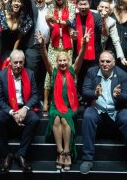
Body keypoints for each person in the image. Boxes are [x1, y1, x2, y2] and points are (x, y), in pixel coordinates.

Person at [79, 50, 127, 179]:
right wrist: (95, 94)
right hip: (97, 108)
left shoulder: (123, 75)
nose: (105, 64)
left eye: (108, 61)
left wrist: (117, 96)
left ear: (114, 63)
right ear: (99, 62)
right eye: (102, 61)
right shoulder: (92, 72)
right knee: (88, 116)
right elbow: (85, 91)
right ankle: (87, 159)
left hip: (117, 109)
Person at [37, 28, 89, 171]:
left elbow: (81, 56)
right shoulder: (53, 72)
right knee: (55, 118)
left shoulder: (73, 71)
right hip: (55, 106)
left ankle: (67, 152)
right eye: (59, 60)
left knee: (65, 119)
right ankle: (60, 152)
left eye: (64, 60)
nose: (62, 63)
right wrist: (42, 46)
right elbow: (45, 58)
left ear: (68, 60)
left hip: (70, 106)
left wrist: (84, 44)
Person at [0, 49, 39, 174]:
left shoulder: (30, 74)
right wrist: (12, 112)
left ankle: (21, 154)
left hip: (24, 106)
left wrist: (24, 108)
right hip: (8, 108)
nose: (18, 65)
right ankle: (6, 155)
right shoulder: (1, 75)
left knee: (34, 119)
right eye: (15, 62)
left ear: (24, 62)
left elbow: (34, 96)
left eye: (21, 62)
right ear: (10, 62)